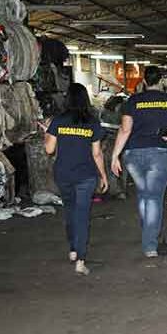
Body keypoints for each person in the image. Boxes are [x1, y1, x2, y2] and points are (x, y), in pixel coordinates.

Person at [111, 66, 167, 257]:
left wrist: (115, 155)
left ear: (144, 81)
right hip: (160, 154)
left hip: (133, 155)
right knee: (154, 198)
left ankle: (147, 232)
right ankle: (150, 245)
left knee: (144, 194)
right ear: (161, 81)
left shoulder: (133, 100)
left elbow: (125, 130)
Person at [43, 83, 109, 276]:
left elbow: (49, 149)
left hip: (63, 174)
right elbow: (97, 154)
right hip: (86, 175)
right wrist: (103, 176)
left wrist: (47, 132)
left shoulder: (59, 121)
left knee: (70, 211)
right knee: (82, 215)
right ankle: (80, 260)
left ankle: (73, 250)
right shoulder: (92, 122)